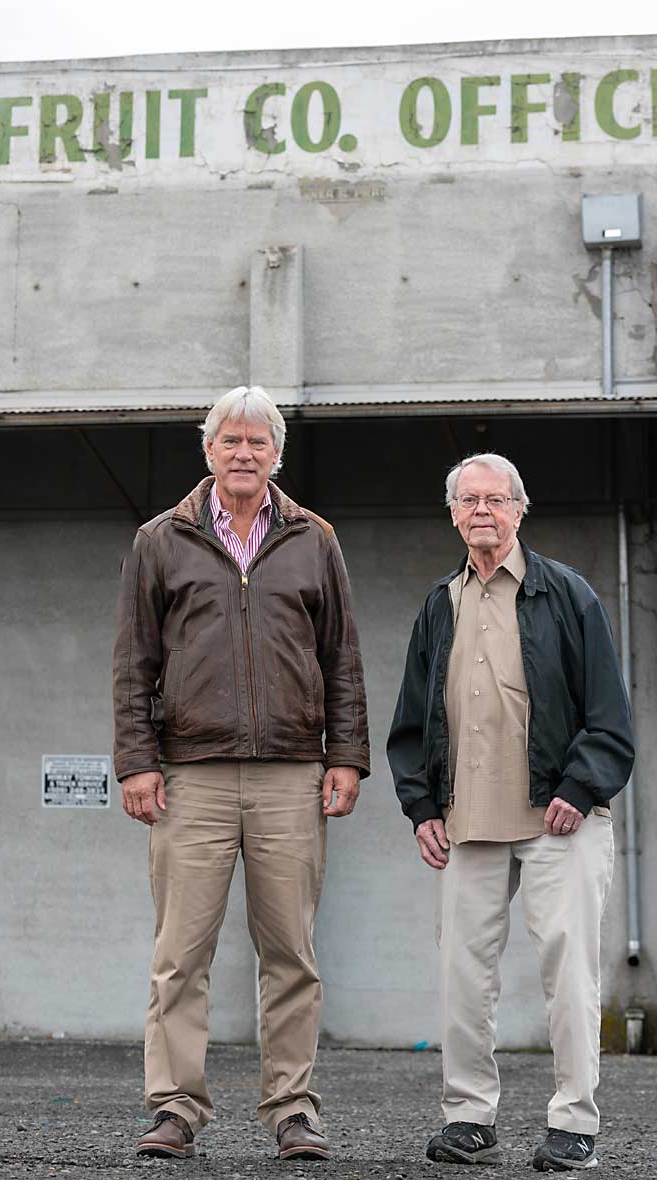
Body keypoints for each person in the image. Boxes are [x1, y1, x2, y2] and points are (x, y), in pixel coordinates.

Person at [112, 385, 370, 1162]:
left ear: (277, 454)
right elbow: (134, 662)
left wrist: (346, 757)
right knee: (180, 955)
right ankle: (175, 1109)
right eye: (231, 441)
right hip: (191, 777)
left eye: (259, 443)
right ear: (209, 450)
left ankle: (293, 1109)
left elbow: (343, 660)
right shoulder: (161, 539)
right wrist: (136, 762)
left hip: (292, 776)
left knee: (291, 952)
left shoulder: (315, 539)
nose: (245, 454)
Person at [387, 453, 634, 1172]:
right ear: (454, 514)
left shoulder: (569, 596)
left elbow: (609, 717)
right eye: (470, 501)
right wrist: (422, 806)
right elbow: (410, 722)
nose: (483, 512)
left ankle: (574, 1123)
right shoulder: (440, 604)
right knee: (463, 974)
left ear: (520, 510)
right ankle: (468, 1118)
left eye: (497, 499)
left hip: (560, 818)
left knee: (571, 972)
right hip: (467, 822)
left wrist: (579, 788)